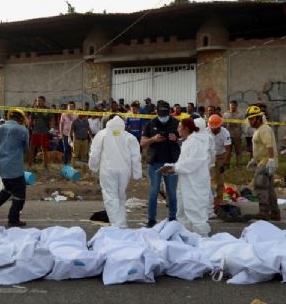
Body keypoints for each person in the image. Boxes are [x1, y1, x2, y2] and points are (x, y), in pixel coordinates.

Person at [159, 118, 212, 235]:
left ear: (186, 129)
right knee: (183, 212)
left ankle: (202, 240)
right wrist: (172, 168)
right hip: (187, 183)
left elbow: (193, 162)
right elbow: (184, 162)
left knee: (195, 213)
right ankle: (188, 238)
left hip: (195, 183)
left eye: (179, 126)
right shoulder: (188, 141)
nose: (177, 129)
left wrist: (175, 168)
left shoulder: (197, 141)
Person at [88, 115, 142, 228]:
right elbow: (136, 157)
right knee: (121, 197)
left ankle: (117, 226)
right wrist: (137, 174)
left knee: (110, 197)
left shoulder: (102, 134)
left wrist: (93, 167)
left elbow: (95, 153)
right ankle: (121, 223)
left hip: (107, 170)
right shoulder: (129, 137)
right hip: (124, 172)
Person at [0, 109, 29, 227]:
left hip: (2, 164)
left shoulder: (1, 128)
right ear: (20, 119)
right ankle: (13, 219)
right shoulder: (23, 130)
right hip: (15, 166)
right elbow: (26, 148)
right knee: (20, 194)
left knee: (8, 190)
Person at [140, 100, 181, 228]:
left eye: (165, 114)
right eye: (161, 114)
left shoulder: (176, 123)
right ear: (156, 112)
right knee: (154, 191)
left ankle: (173, 218)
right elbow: (142, 143)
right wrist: (153, 139)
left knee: (172, 192)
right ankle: (151, 219)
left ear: (169, 112)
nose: (163, 117)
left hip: (172, 162)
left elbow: (187, 139)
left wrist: (177, 139)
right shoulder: (150, 123)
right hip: (155, 162)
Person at [246, 105, 280, 221]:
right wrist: (254, 160)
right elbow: (260, 147)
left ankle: (264, 212)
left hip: (266, 162)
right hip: (264, 161)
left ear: (258, 118)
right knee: (269, 188)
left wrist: (270, 160)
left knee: (260, 186)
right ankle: (275, 213)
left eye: (252, 119)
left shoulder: (264, 129)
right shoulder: (260, 130)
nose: (250, 121)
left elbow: (269, 145)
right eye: (249, 119)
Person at [207, 114, 232, 204]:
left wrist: (225, 163)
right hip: (210, 156)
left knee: (221, 178)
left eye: (216, 127)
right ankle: (210, 197)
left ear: (220, 126)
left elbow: (228, 149)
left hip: (222, 155)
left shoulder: (225, 133)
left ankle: (219, 197)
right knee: (211, 177)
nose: (214, 129)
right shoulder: (206, 132)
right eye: (212, 128)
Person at [28, 96, 53, 168]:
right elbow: (31, 120)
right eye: (37, 101)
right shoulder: (34, 110)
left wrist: (52, 128)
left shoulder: (48, 110)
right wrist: (28, 129)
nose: (38, 102)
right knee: (32, 148)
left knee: (44, 149)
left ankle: (45, 165)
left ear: (44, 102)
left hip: (45, 132)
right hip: (35, 132)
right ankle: (30, 165)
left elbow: (52, 119)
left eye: (40, 101)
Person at [222, 100, 244, 168]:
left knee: (238, 151)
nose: (232, 107)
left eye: (233, 106)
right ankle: (227, 164)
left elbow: (243, 125)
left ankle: (239, 164)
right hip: (228, 136)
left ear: (236, 106)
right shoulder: (225, 114)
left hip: (237, 135)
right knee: (228, 151)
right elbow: (223, 125)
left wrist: (242, 134)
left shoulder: (240, 115)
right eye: (231, 106)